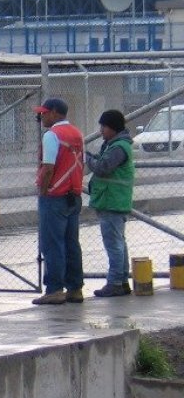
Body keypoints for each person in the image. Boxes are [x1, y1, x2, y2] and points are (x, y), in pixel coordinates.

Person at [32, 97, 85, 305]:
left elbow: (48, 168)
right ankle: (75, 288)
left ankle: (54, 289)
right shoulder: (77, 134)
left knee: (52, 244)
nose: (41, 116)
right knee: (72, 243)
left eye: (44, 113)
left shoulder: (52, 135)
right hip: (74, 195)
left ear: (54, 113)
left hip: (55, 196)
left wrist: (44, 192)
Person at [86, 109, 134, 298]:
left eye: (104, 126)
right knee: (119, 243)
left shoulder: (118, 147)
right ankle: (121, 281)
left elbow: (103, 168)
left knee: (114, 244)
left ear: (113, 127)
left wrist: (87, 158)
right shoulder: (115, 145)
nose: (101, 130)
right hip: (114, 200)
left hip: (112, 201)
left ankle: (115, 283)